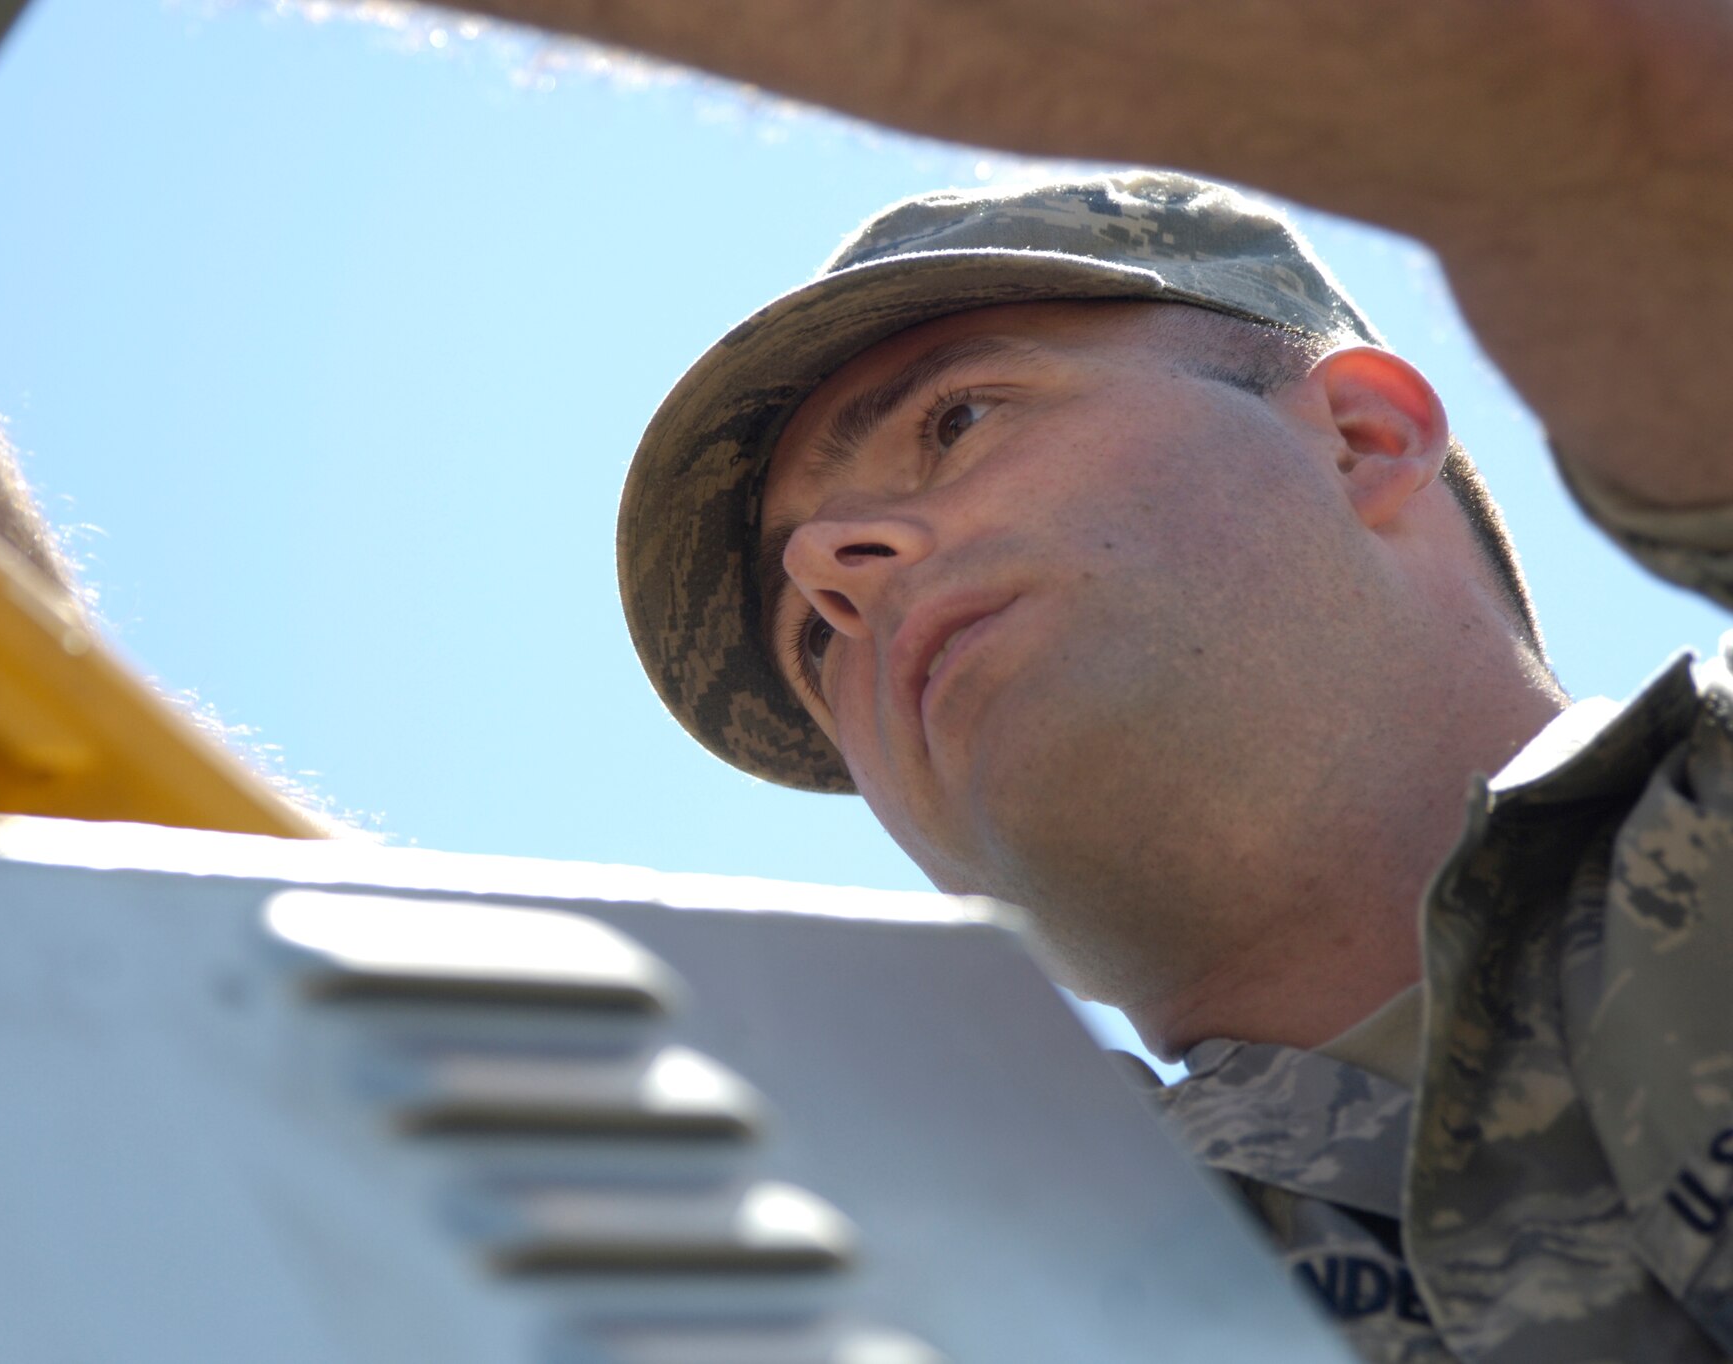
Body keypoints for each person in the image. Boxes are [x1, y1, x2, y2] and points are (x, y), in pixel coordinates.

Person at [442, 2, 1733, 1360]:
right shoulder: (901, 1296)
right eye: (812, 641)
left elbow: (1627, 110)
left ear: (1361, 436)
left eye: (960, 419)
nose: (833, 569)